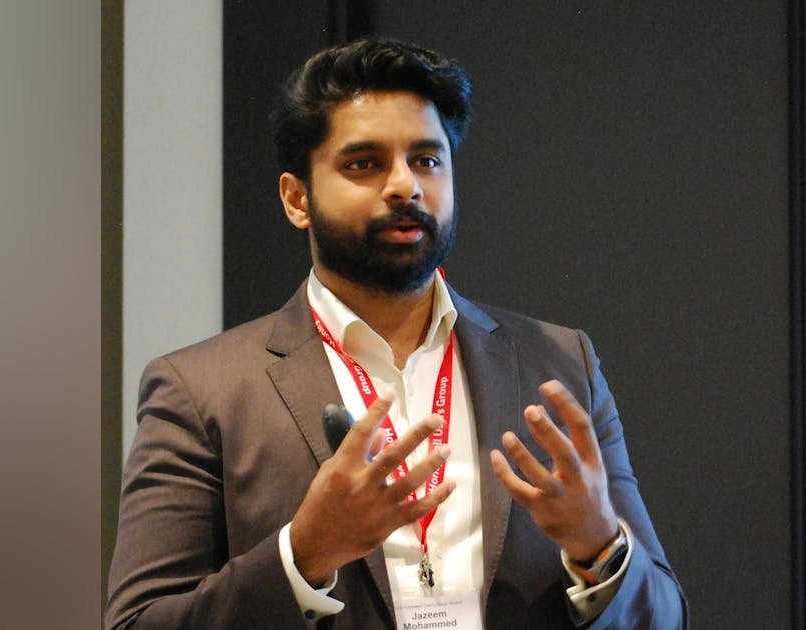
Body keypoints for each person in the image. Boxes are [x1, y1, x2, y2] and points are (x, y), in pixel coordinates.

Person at [105, 38, 687, 630]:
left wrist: (599, 549)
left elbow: (664, 618)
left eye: (427, 160)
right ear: (297, 198)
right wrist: (303, 556)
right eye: (364, 163)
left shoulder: (559, 363)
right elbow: (137, 622)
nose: (404, 185)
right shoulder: (201, 391)